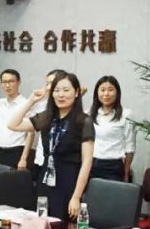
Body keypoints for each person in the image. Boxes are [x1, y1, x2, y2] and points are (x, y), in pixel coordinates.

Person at [9, 72, 94, 220]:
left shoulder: (83, 121)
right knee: (41, 222)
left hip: (69, 183)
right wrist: (31, 101)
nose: (61, 95)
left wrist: (76, 196)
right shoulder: (47, 117)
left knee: (63, 227)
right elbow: (12, 124)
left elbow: (87, 161)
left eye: (66, 90)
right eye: (56, 90)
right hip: (45, 181)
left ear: (76, 93)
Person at [89, 75, 136, 182]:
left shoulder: (126, 115)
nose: (106, 94)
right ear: (97, 93)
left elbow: (130, 147)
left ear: (117, 92)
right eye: (102, 90)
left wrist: (126, 174)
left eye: (110, 90)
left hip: (114, 167)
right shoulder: (89, 113)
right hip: (91, 165)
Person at [31, 68, 66, 179]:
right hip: (41, 159)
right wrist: (32, 100)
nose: (48, 87)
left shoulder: (69, 108)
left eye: (52, 83)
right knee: (39, 189)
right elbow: (14, 124)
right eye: (47, 83)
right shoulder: (41, 105)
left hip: (62, 164)